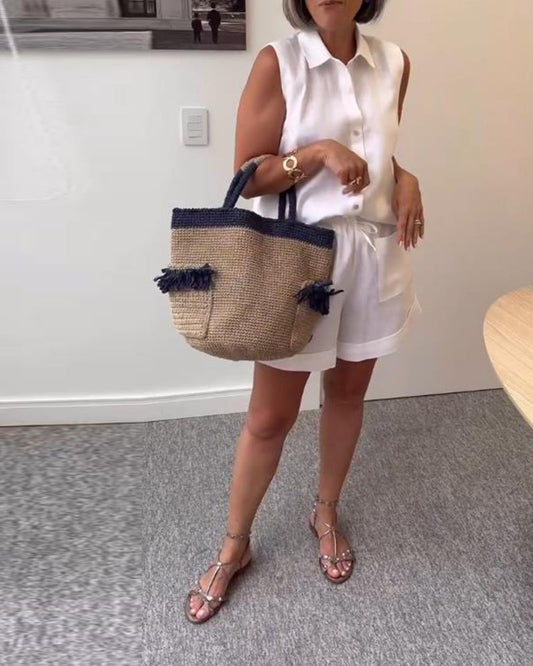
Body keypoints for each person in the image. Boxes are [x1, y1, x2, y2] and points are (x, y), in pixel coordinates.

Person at [185, 0, 425, 624]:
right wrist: (315, 154)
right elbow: (247, 175)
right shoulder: (279, 62)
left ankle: (325, 510)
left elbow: (379, 152)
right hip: (299, 265)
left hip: (373, 257)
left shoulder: (395, 63)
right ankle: (235, 544)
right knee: (270, 417)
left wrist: (407, 179)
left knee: (347, 395)